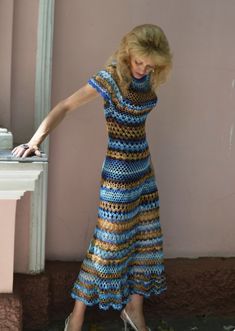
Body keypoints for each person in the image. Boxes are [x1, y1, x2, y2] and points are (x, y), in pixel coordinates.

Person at [12, 24, 172, 331]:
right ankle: (77, 318)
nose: (143, 69)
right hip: (118, 174)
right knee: (107, 245)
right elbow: (65, 106)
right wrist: (35, 141)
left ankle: (133, 310)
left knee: (147, 240)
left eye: (150, 65)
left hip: (144, 170)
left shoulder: (148, 78)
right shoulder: (110, 77)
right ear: (128, 53)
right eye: (139, 61)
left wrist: (148, 70)